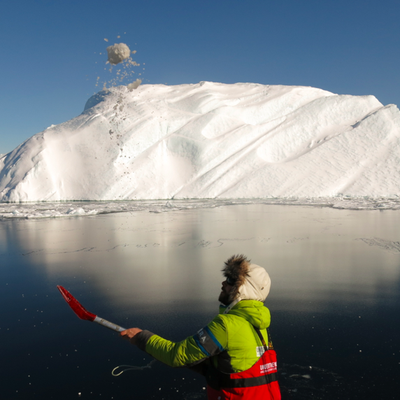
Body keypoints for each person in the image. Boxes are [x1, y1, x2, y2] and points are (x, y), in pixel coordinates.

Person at [120, 254, 281, 400]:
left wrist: (140, 338)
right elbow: (236, 366)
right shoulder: (259, 325)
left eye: (231, 280)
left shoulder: (227, 325)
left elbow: (176, 355)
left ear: (243, 289)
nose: (224, 283)